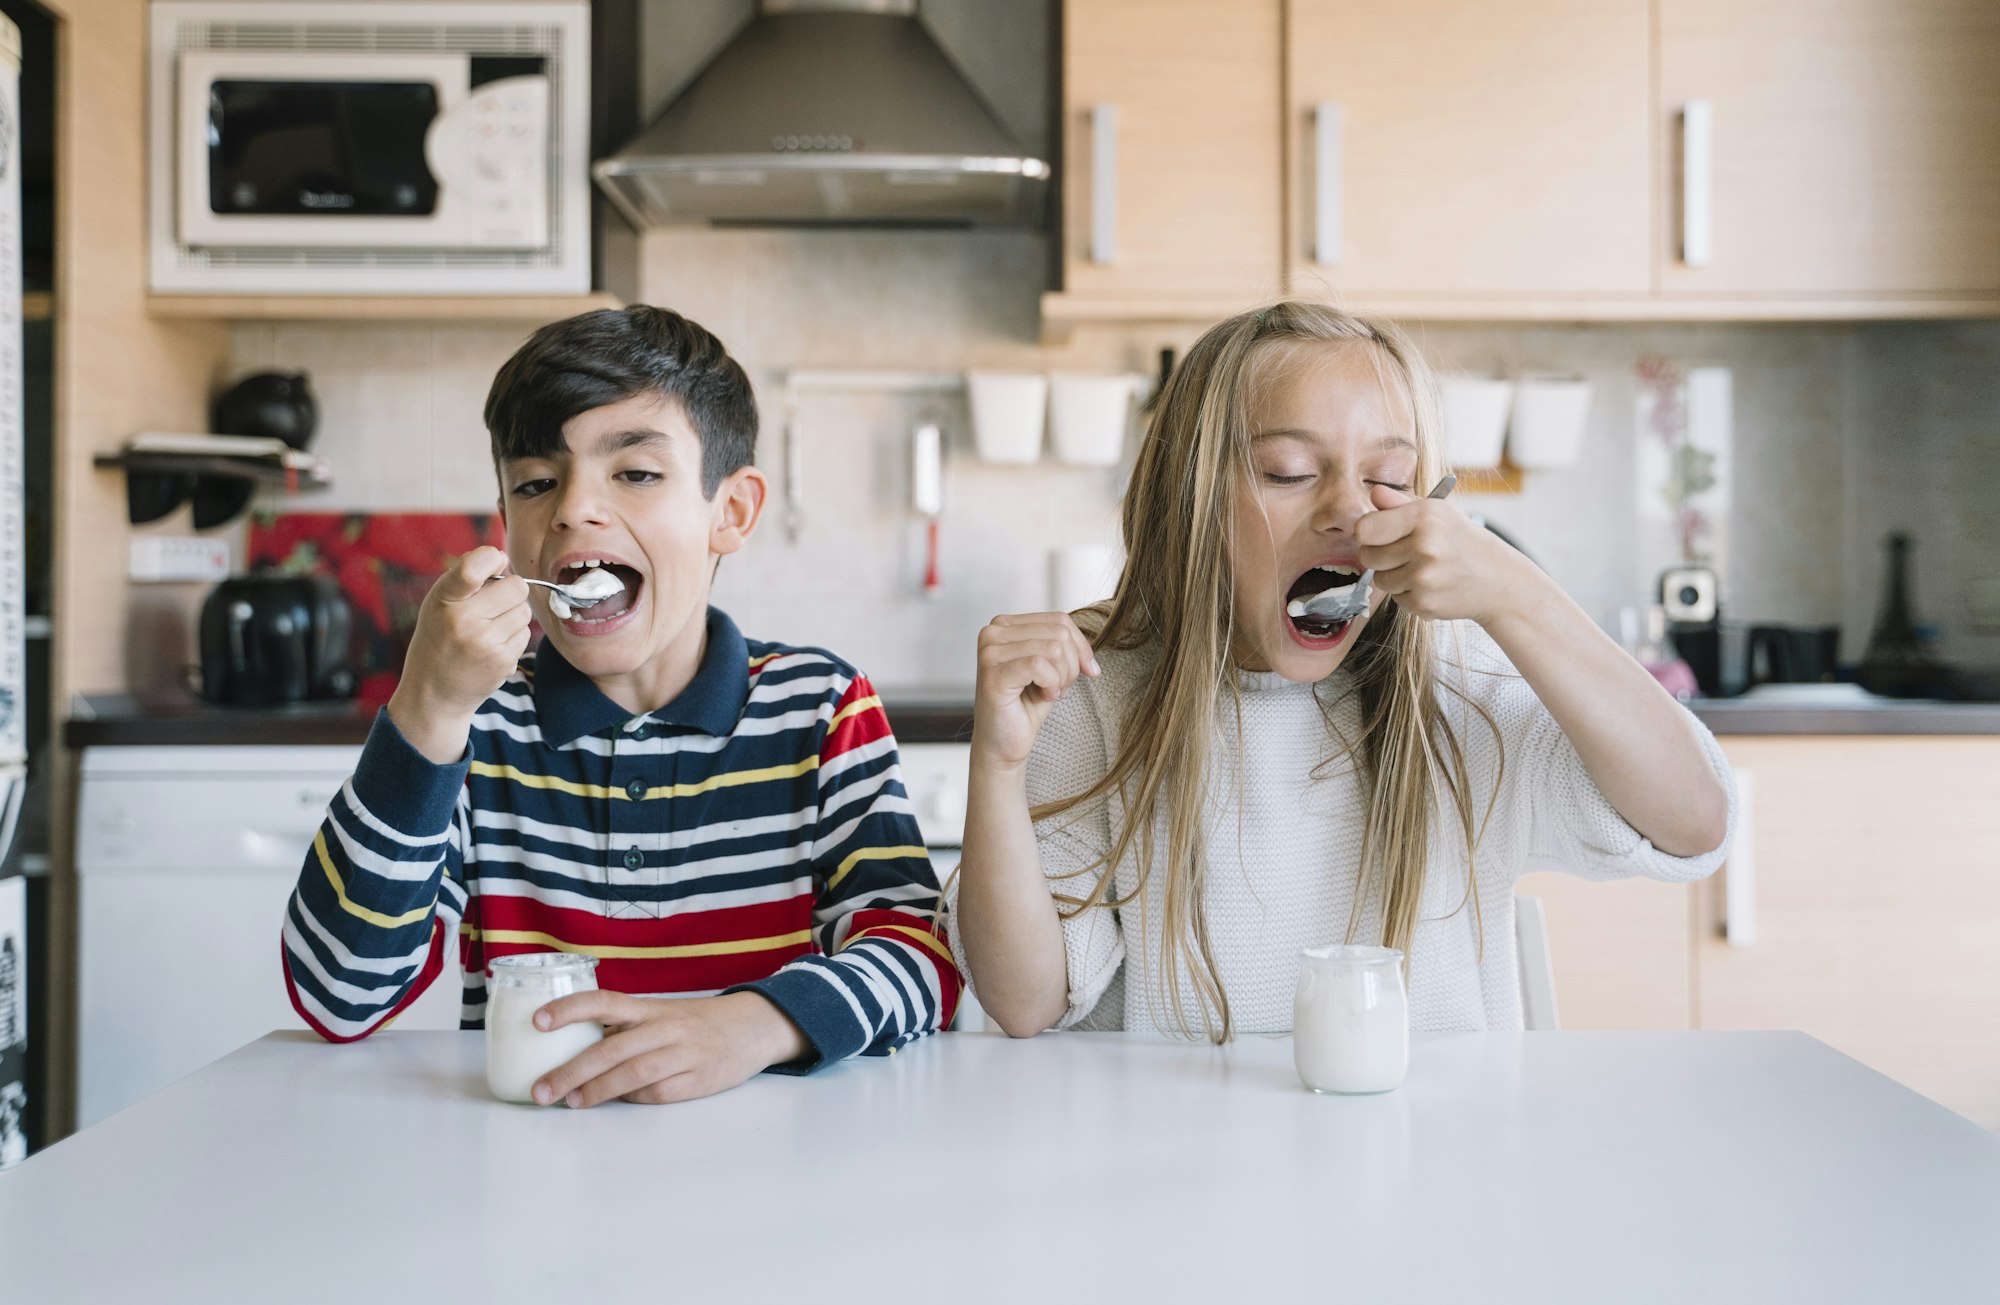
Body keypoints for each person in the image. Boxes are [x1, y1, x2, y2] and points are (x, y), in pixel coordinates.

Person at [951, 301, 1733, 1040]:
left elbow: (1694, 820)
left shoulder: (1462, 687)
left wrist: (1519, 596)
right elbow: (1023, 1001)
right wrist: (998, 763)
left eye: (1389, 478)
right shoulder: (1099, 698)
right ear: (1192, 504)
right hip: (1180, 1163)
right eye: (1289, 471)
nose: (1350, 510)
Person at [282, 306, 957, 1104]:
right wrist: (427, 706)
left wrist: (750, 1024)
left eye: (635, 473)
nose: (572, 508)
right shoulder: (482, 726)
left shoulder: (818, 709)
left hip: (774, 1167)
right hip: (530, 1160)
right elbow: (338, 994)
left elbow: (922, 959)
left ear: (730, 512)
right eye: (536, 483)